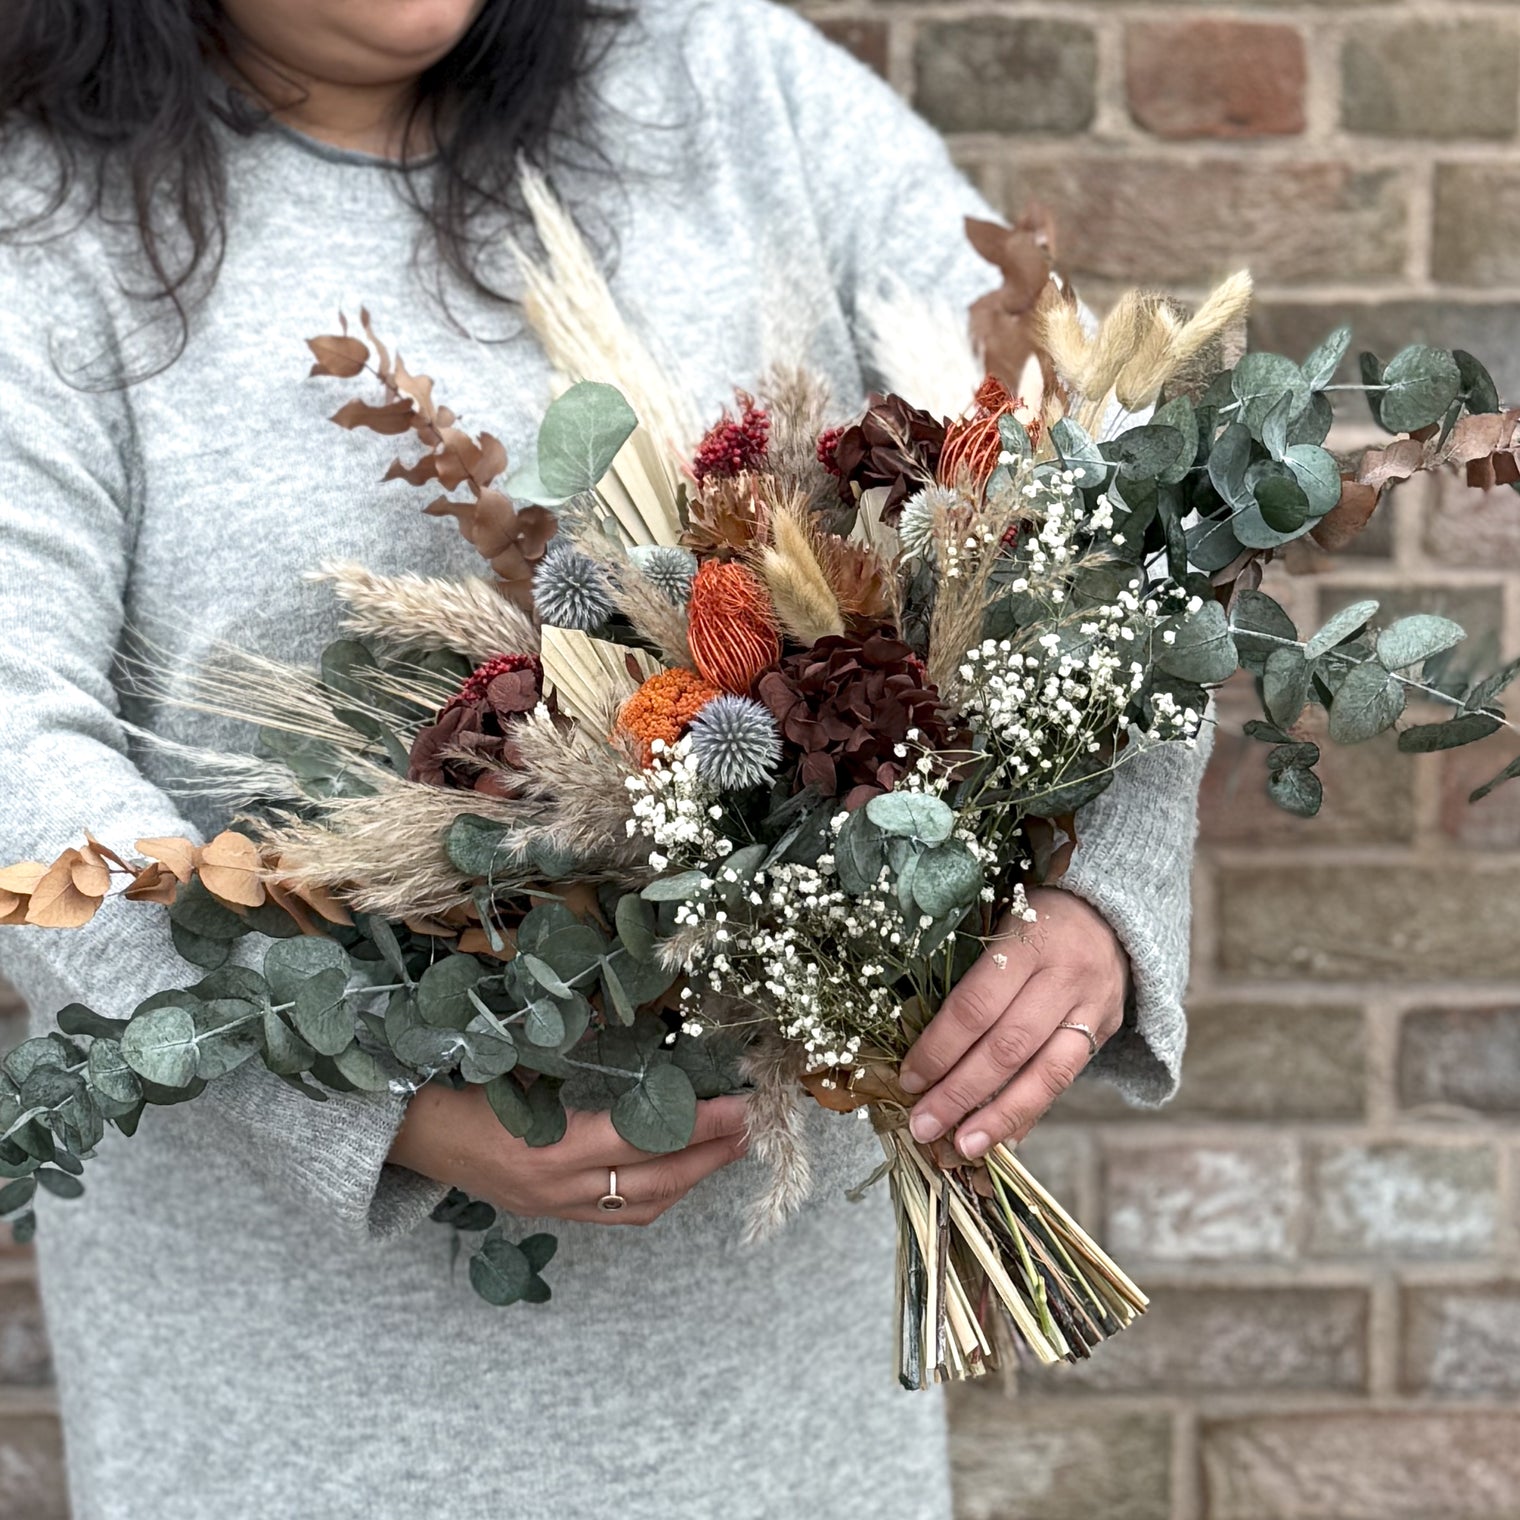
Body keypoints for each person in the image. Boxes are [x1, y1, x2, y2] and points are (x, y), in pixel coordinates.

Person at [0, 2, 1209, 1516]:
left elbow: (1097, 468)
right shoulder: (43, 231)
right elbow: (18, 757)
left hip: (773, 1380)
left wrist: (1105, 881)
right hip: (297, 1403)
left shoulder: (730, 84)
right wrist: (375, 1098)